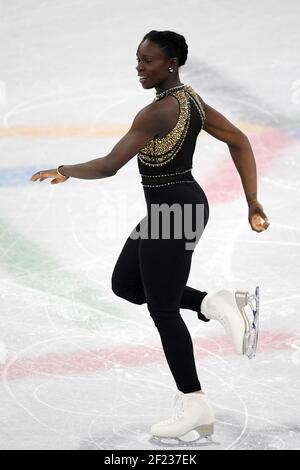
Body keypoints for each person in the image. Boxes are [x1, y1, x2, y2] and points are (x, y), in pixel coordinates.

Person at [30, 30, 270, 446]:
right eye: (138, 59)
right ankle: (217, 302)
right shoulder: (191, 101)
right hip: (172, 209)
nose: (139, 67)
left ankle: (195, 405)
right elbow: (239, 139)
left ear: (171, 63)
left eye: (148, 60)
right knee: (127, 285)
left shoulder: (157, 113)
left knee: (161, 308)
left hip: (175, 212)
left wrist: (65, 168)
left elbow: (109, 166)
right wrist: (251, 201)